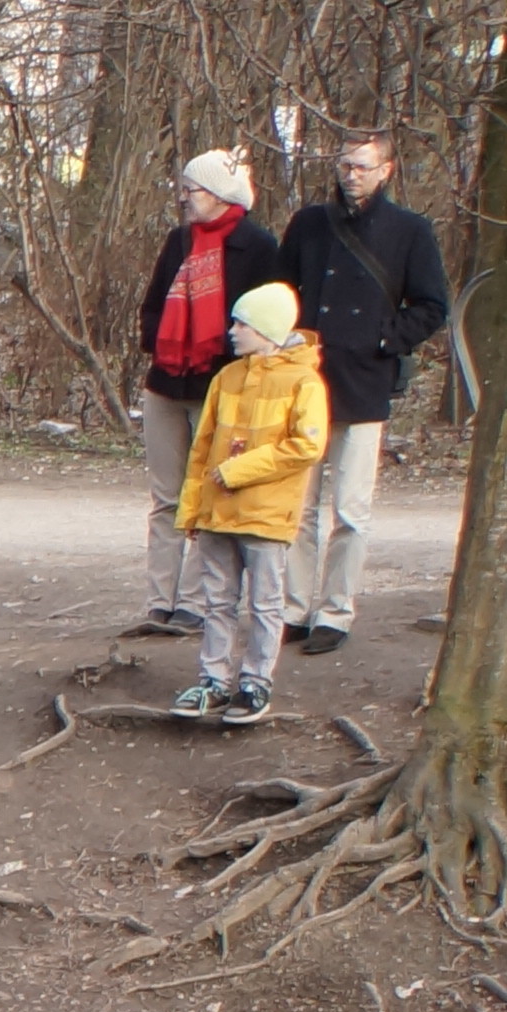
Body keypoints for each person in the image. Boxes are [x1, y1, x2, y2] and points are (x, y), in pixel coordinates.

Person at [278, 128, 452, 655]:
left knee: (351, 511)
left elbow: (431, 305)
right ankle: (292, 609)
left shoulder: (409, 231)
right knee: (296, 507)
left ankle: (335, 611)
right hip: (304, 379)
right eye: (345, 164)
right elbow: (279, 293)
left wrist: (382, 339)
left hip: (364, 380)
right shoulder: (309, 225)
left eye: (361, 166)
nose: (350, 174)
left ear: (386, 170)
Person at [128, 150, 291, 635]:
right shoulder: (178, 242)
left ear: (220, 193)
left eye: (192, 189)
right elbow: (153, 304)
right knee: (165, 498)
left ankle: (196, 605)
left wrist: (221, 352)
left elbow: (267, 319)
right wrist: (160, 343)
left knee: (207, 493)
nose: (184, 198)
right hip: (166, 381)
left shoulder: (258, 247)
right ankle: (159, 601)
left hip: (220, 385)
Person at [173, 282, 330, 729]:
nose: (233, 330)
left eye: (242, 323)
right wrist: (193, 511)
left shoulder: (304, 381)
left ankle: (256, 681)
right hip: (219, 514)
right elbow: (202, 448)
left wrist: (239, 471)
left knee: (265, 604)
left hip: (265, 516)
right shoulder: (227, 378)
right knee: (217, 601)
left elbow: (306, 446)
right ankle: (213, 679)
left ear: (267, 330)